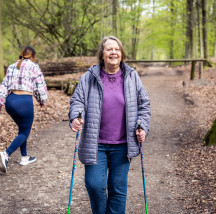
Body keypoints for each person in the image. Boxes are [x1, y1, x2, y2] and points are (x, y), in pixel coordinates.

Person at [69, 36, 151, 214]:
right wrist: (76, 116)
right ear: (102, 54)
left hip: (123, 144)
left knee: (118, 190)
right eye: (109, 49)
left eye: (117, 49)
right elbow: (77, 100)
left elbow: (144, 104)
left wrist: (142, 126)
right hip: (95, 143)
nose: (113, 52)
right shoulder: (89, 77)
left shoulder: (131, 76)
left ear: (122, 54)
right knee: (94, 185)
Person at [0, 46, 48, 173]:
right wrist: (42, 100)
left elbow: (4, 85)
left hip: (10, 102)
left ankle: (24, 157)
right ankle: (6, 154)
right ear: (33, 57)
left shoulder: (12, 66)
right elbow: (40, 86)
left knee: (22, 129)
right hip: (24, 103)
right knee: (25, 132)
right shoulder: (34, 67)